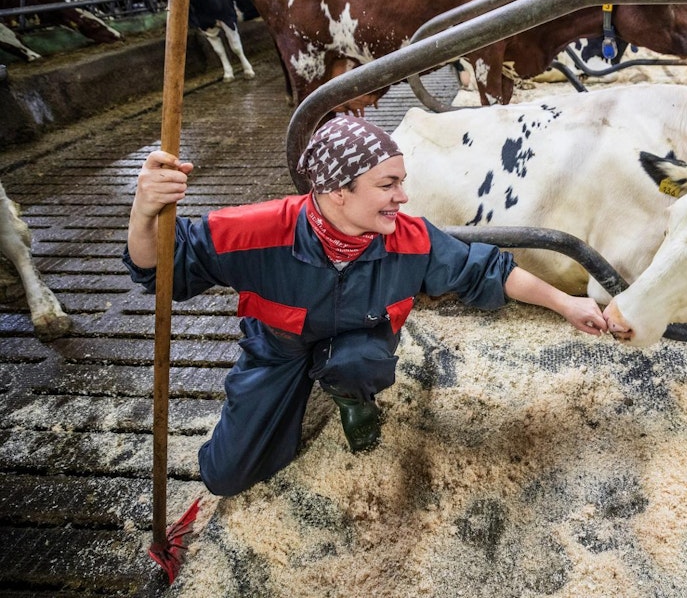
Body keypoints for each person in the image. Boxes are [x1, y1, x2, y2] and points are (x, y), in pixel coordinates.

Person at [125, 116, 608, 497]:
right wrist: (145, 210)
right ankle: (289, 399)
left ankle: (352, 395)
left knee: (360, 362)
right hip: (279, 348)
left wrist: (566, 303)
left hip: (359, 339)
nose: (404, 196)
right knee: (225, 477)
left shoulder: (411, 238)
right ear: (339, 190)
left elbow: (490, 271)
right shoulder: (253, 231)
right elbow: (159, 267)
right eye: (388, 184)